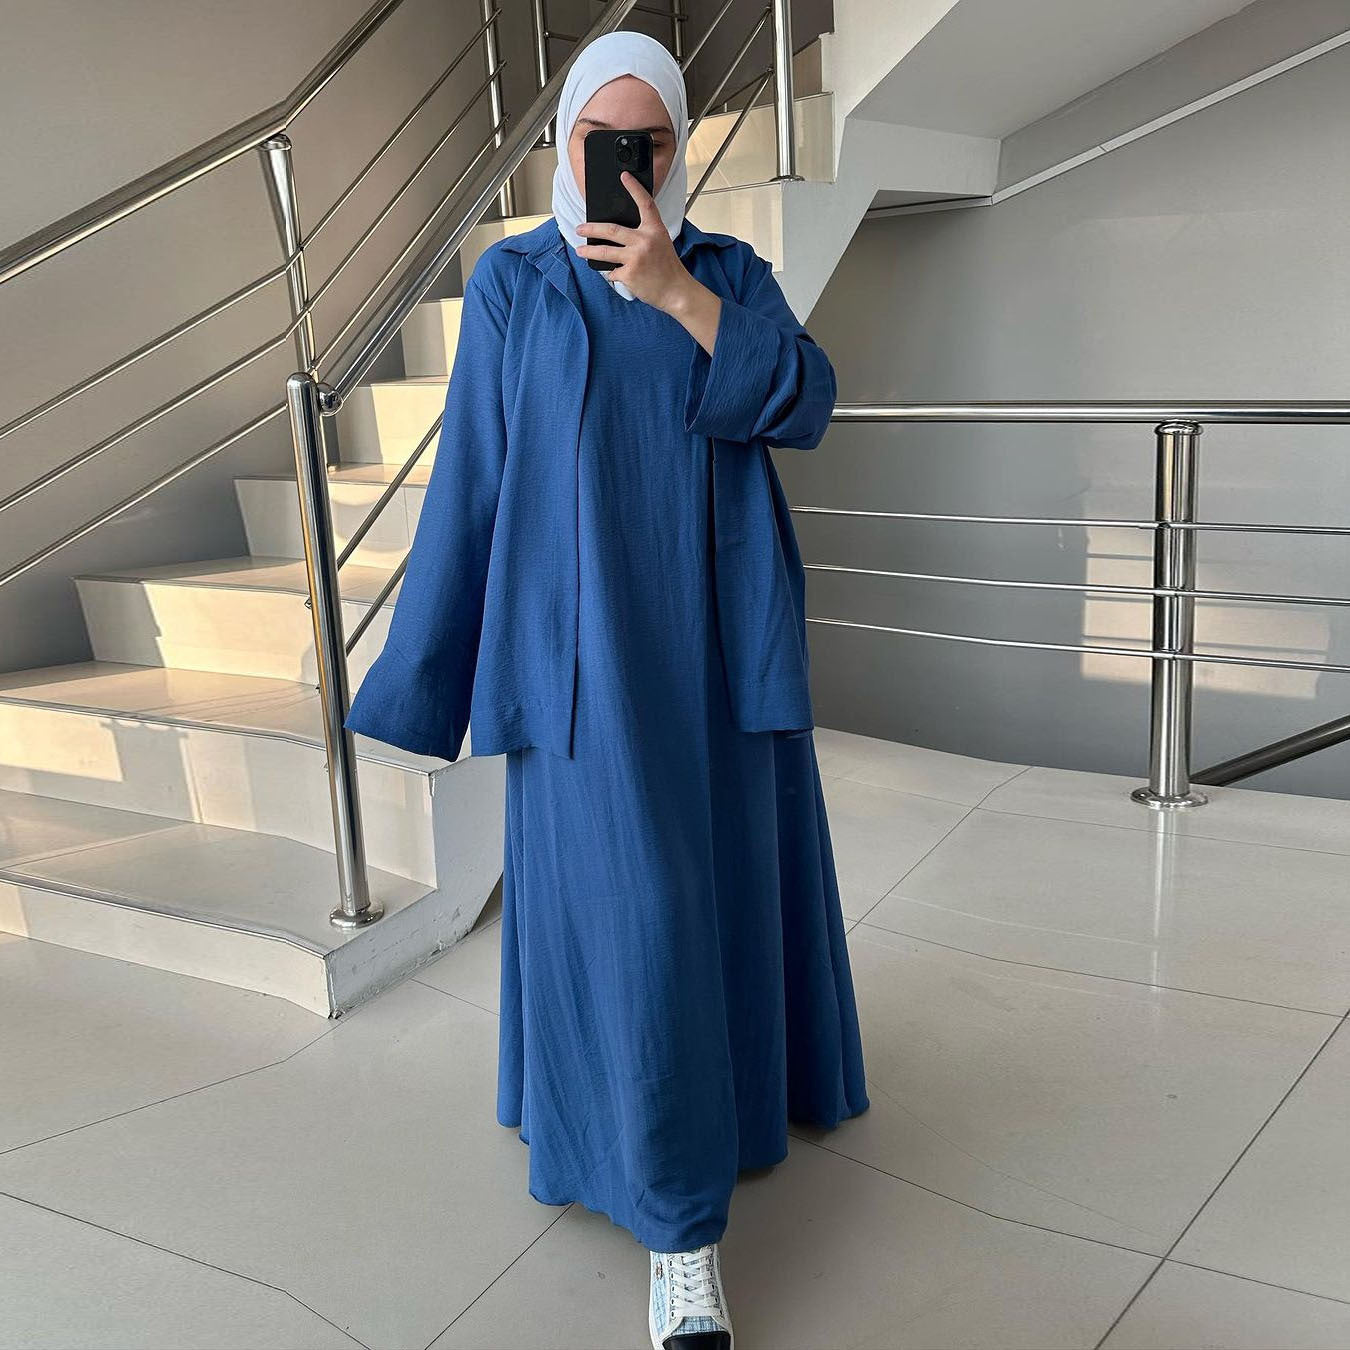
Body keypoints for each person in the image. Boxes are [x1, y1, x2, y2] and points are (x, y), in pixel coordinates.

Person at [346, 29, 870, 1350]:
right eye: (599, 141)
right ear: (564, 144)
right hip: (582, 668)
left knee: (720, 894)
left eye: (649, 142)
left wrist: (676, 293)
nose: (625, 165)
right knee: (633, 919)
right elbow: (471, 481)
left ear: (678, 151)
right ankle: (679, 1231)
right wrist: (422, 682)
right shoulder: (514, 283)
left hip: (717, 650)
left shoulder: (727, 273)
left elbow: (808, 400)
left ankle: (712, 1119)